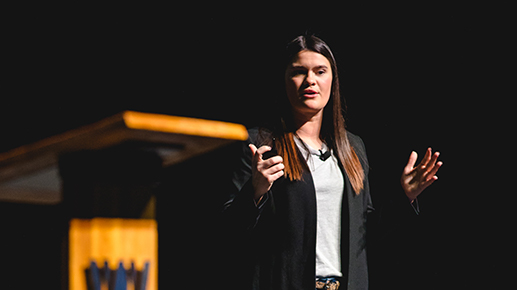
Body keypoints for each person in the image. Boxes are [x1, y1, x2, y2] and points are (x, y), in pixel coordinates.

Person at [221, 34, 442, 290]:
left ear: (332, 81)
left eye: (320, 71)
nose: (310, 80)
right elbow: (226, 231)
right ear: (284, 80)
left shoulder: (352, 148)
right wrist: (255, 192)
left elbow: (364, 232)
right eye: (299, 72)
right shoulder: (260, 143)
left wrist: (404, 197)